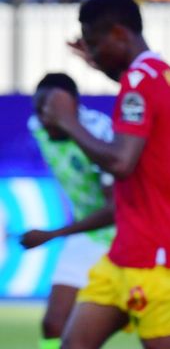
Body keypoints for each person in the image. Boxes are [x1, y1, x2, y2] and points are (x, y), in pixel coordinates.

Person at [40, 0, 170, 349]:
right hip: (126, 252)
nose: (93, 53)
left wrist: (69, 121)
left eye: (96, 44)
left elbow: (121, 162)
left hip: (157, 257)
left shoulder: (140, 83)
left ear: (118, 34)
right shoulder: (165, 78)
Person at [22, 73, 115, 349]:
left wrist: (53, 234)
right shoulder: (37, 126)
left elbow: (115, 209)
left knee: (169, 339)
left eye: (50, 109)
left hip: (126, 234)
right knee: (53, 325)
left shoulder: (100, 132)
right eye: (38, 108)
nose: (42, 116)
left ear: (73, 106)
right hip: (87, 234)